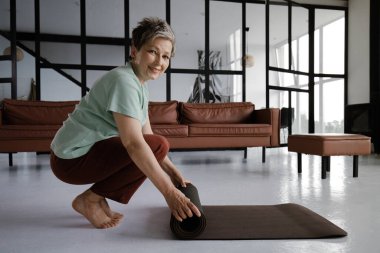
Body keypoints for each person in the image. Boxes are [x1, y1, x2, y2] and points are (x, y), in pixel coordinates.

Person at [50, 17, 201, 229]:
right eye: (153, 52)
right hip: (70, 160)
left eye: (165, 56)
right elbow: (135, 143)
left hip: (78, 155)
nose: (160, 62)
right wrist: (170, 193)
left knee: (156, 144)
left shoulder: (139, 83)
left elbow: (146, 133)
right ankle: (90, 200)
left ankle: (97, 197)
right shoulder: (124, 82)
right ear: (135, 51)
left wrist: (173, 172)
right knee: (156, 145)